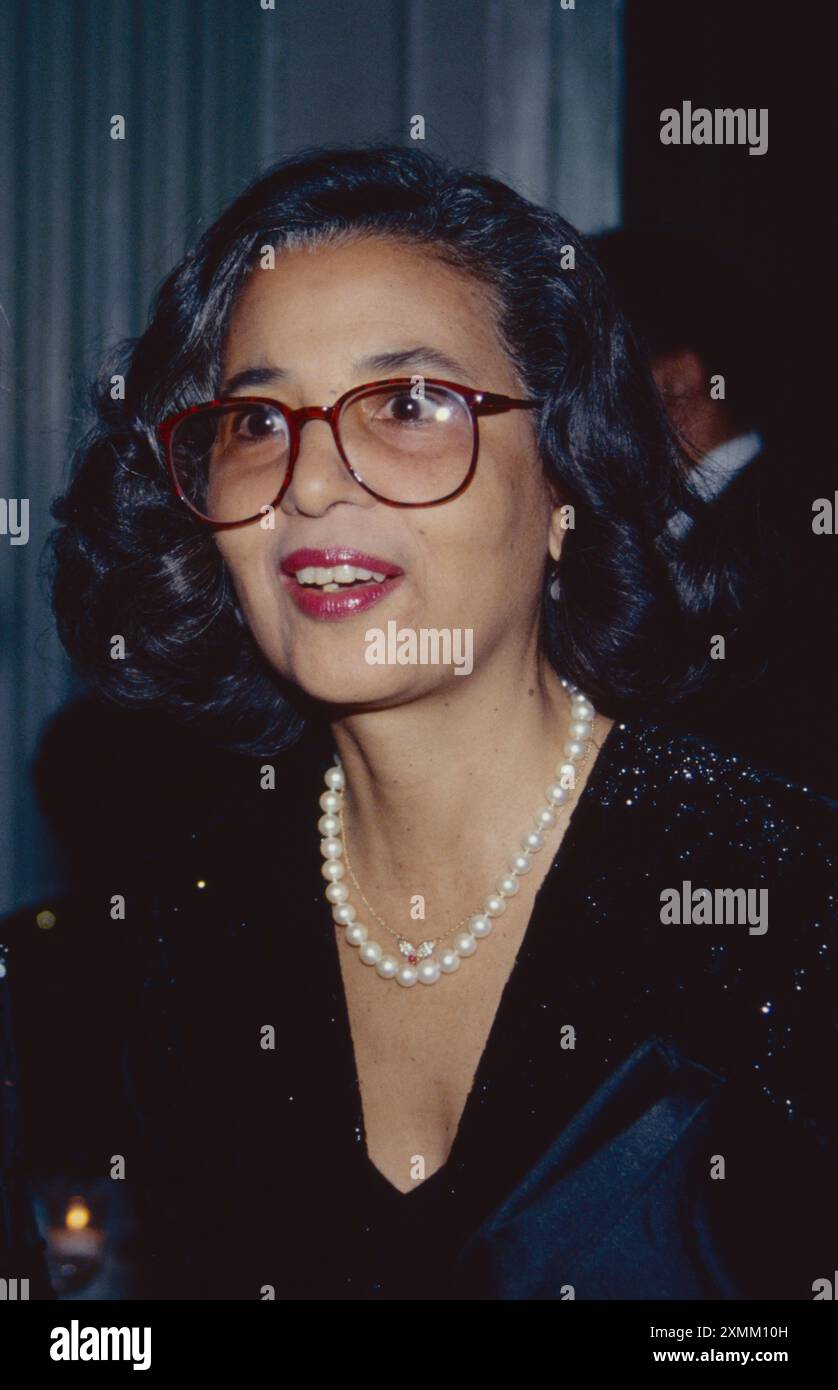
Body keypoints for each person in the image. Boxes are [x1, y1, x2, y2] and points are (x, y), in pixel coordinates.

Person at [25, 145, 836, 1299]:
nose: (308, 482)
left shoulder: (791, 910)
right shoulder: (182, 936)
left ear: (564, 477)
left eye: (407, 404)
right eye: (257, 420)